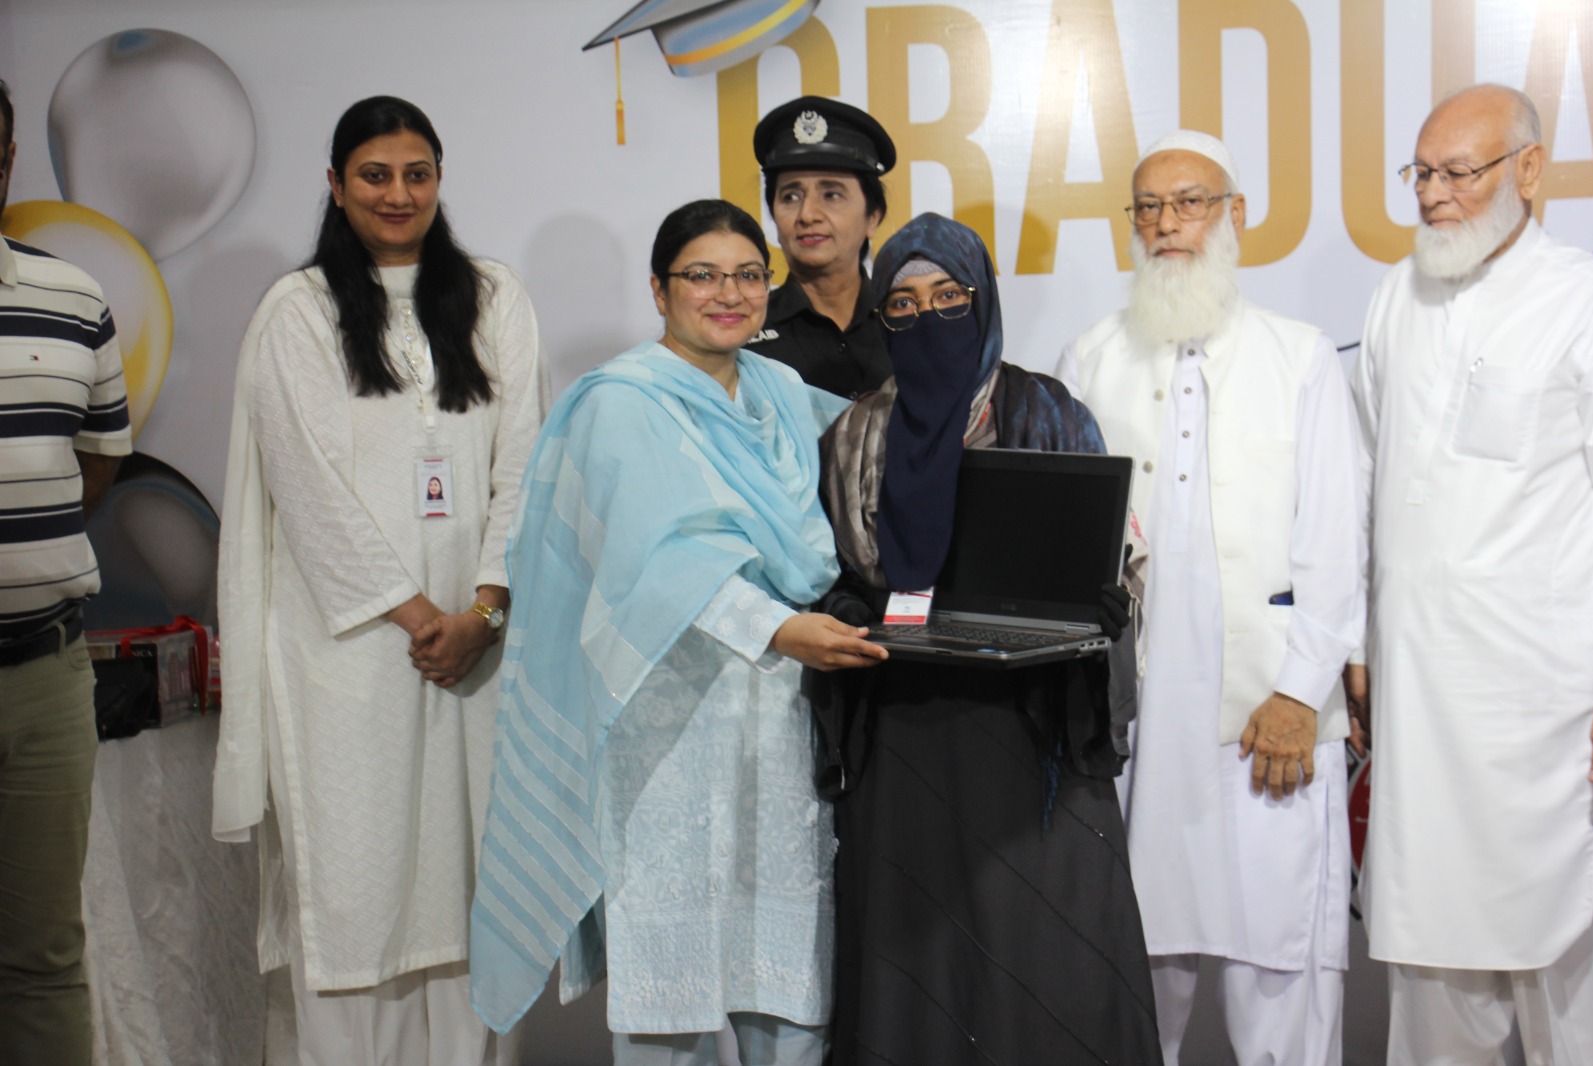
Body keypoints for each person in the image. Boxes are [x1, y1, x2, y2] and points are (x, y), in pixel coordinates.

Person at [470, 199, 885, 1065]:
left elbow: (872, 460)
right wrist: (781, 630)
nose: (727, 293)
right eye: (702, 274)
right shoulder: (620, 404)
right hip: (665, 726)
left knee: (789, 985)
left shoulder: (780, 394)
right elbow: (657, 568)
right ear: (660, 290)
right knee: (673, 995)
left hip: (777, 723)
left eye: (746, 274)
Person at [212, 95, 548, 1065]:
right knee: (357, 887)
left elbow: (524, 461)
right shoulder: (299, 312)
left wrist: (482, 609)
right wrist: (419, 618)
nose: (397, 194)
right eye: (374, 174)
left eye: (416, 173)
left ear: (439, 181)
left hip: (479, 655)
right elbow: (306, 492)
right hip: (349, 655)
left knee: (473, 880)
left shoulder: (494, 298)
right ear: (334, 185)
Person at [816, 212, 1161, 1065]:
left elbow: (1119, 555)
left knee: (1051, 955)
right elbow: (824, 570)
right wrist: (851, 608)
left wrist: (1105, 605)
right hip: (906, 730)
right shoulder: (855, 432)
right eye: (902, 303)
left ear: (984, 300)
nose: (927, 317)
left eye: (948, 296)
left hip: (1035, 733)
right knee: (918, 963)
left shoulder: (1050, 410)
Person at [1059, 130, 1366, 1065]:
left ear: (1235, 215)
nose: (1166, 225)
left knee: (1282, 969)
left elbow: (1337, 542)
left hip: (1269, 721)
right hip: (1139, 727)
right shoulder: (1090, 358)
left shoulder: (1300, 355)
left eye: (1189, 202)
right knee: (1136, 965)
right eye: (1147, 207)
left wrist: (1300, 693)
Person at [1353, 83, 1593, 1064]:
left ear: (1528, 172)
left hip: (1544, 718)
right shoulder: (1393, 297)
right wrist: (1361, 647)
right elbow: (1370, 486)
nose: (1432, 197)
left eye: (1458, 173)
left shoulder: (1581, 301)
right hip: (1418, 715)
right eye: (1420, 173)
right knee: (1430, 981)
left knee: (1563, 987)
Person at [0, 76, 132, 1066]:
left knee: (45, 951)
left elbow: (95, 463)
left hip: (46, 675)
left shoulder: (73, 297)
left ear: (7, 160)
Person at [745, 95, 896, 398]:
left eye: (831, 194)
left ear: (873, 217)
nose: (808, 215)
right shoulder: (744, 328)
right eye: (790, 196)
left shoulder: (906, 323)